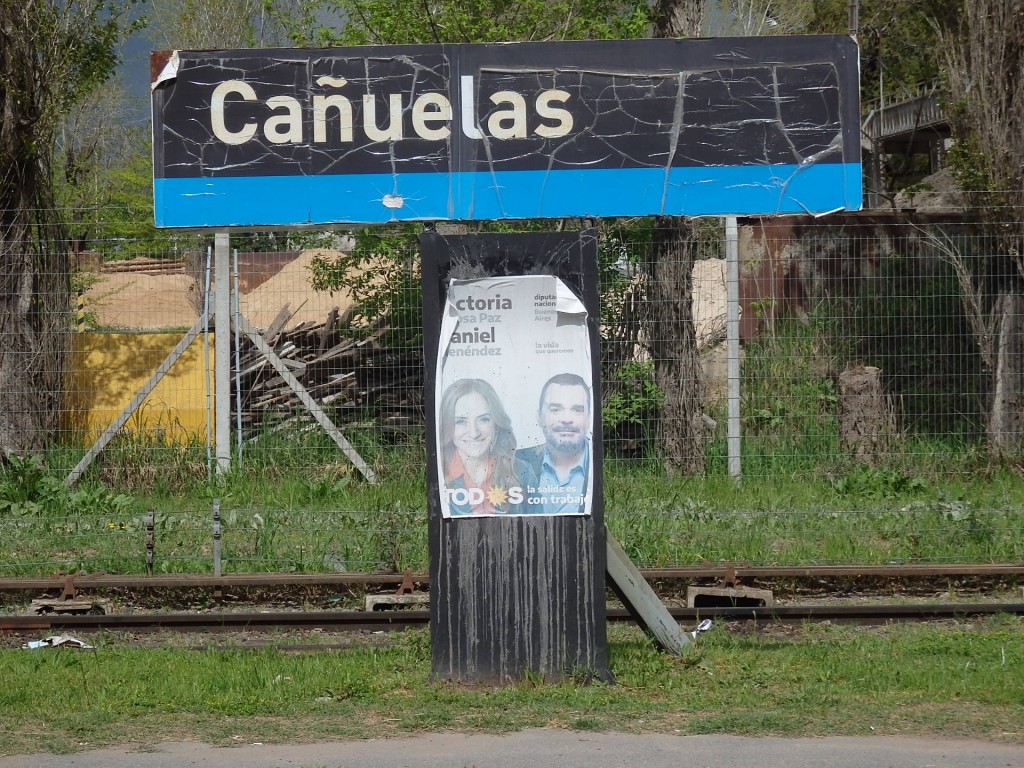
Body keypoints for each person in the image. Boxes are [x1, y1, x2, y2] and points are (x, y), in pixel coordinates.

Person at [438, 378, 538, 516]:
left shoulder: (523, 472)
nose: (474, 433)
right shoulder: (439, 474)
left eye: (484, 419)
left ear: (496, 423)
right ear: (447, 425)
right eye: (461, 421)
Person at [515, 373, 591, 515]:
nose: (567, 419)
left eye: (577, 409)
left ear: (589, 418)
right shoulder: (514, 463)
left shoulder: (604, 467)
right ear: (539, 417)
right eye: (555, 409)